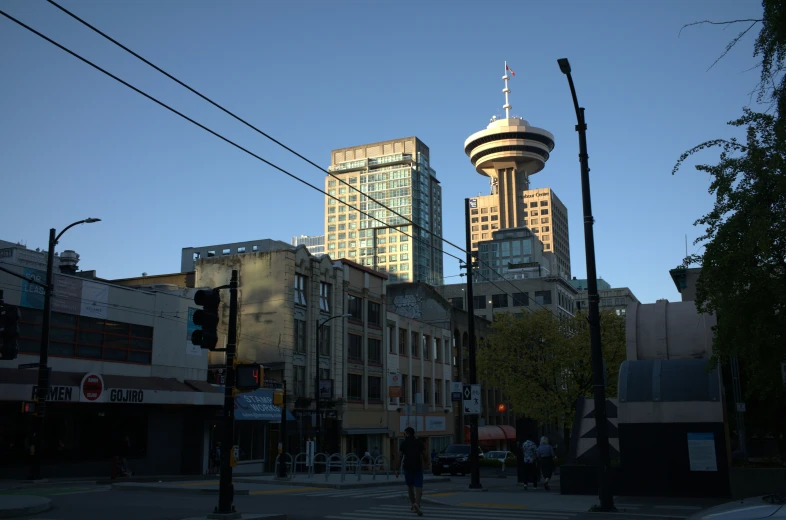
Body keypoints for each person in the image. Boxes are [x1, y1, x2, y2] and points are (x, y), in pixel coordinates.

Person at [394, 427, 429, 516]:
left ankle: (413, 506)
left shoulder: (404, 443)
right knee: (419, 487)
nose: (403, 435)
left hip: (407, 467)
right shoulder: (419, 442)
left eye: (404, 433)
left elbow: (400, 456)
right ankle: (417, 503)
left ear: (407, 434)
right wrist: (427, 463)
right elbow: (425, 454)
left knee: (410, 487)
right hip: (417, 466)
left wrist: (397, 469)